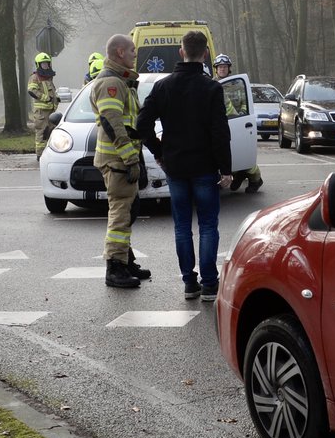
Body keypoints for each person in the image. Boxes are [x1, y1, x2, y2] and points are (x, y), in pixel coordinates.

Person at [136, 30, 232, 302]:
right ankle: (210, 283)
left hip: (175, 166)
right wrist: (226, 169)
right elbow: (220, 132)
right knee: (208, 225)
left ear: (181, 52)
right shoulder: (212, 88)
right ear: (205, 54)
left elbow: (142, 125)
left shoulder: (163, 86)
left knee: (181, 226)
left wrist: (159, 151)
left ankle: (189, 282)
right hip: (205, 166)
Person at [94, 35, 151, 288]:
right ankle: (115, 268)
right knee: (120, 213)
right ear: (119, 52)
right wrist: (130, 158)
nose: (134, 54)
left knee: (128, 210)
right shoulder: (111, 83)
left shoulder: (121, 81)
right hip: (117, 160)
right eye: (131, 50)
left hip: (122, 159)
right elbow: (112, 123)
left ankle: (126, 261)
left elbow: (129, 125)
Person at [210, 53, 263, 194]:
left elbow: (245, 102)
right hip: (221, 124)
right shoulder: (212, 85)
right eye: (219, 67)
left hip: (238, 123)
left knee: (241, 154)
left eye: (224, 67)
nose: (222, 69)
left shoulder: (238, 84)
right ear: (216, 69)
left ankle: (256, 179)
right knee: (228, 154)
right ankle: (238, 175)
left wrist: (242, 114)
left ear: (229, 68)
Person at [26, 52, 58, 155]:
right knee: (41, 133)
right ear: (38, 65)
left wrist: (56, 99)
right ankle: (40, 155)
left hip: (51, 111)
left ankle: (50, 154)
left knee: (51, 133)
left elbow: (51, 91)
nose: (46, 65)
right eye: (43, 64)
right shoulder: (35, 77)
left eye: (47, 63)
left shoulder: (48, 77)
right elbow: (32, 91)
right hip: (41, 113)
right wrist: (45, 98)